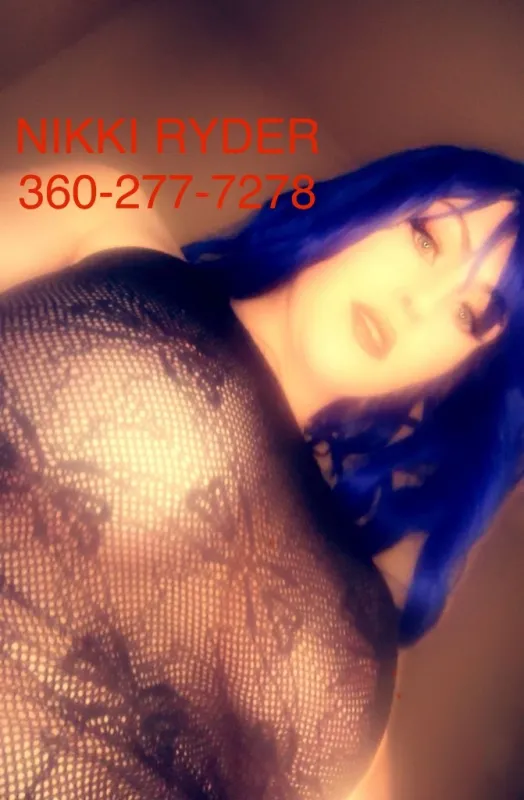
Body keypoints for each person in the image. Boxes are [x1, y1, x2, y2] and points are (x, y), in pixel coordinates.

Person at [0, 143, 521, 799]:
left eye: (468, 315)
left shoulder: (359, 652)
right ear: (373, 203)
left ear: (454, 375)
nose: (420, 302)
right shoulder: (102, 209)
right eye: (427, 239)